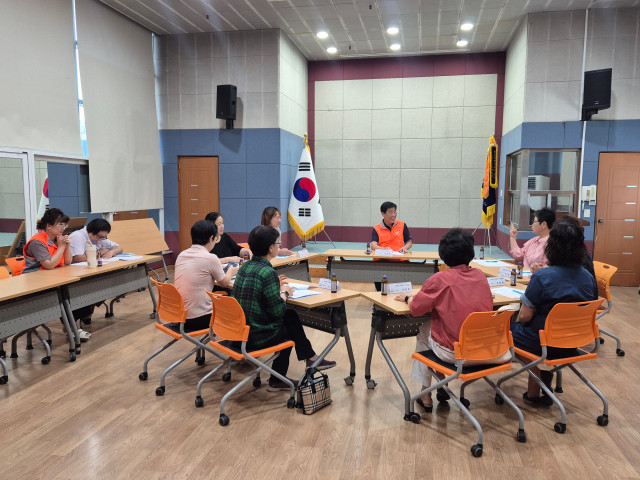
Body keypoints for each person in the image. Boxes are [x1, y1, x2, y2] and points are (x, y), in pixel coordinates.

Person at [395, 228, 510, 412]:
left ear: (443, 253)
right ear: (470, 253)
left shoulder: (440, 279)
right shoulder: (480, 276)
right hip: (488, 349)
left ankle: (426, 393)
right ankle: (442, 385)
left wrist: (408, 298)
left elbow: (416, 309)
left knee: (424, 330)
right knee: (441, 327)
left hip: (458, 354)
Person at [232, 225, 335, 391]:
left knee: (290, 316)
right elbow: (277, 311)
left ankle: (310, 358)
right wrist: (284, 292)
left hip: (237, 332)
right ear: (270, 248)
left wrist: (275, 286)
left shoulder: (245, 267)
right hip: (255, 336)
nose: (278, 245)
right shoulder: (267, 272)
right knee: (288, 325)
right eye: (277, 243)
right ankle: (279, 378)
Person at [511, 221, 598, 406]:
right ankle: (535, 389)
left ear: (551, 247)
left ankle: (536, 382)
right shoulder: (588, 278)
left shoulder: (542, 277)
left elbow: (525, 316)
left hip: (543, 342)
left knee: (507, 331)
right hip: (574, 341)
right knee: (539, 334)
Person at [174, 220, 238, 330]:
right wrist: (231, 271)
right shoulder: (210, 258)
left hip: (178, 316)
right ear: (211, 238)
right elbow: (224, 283)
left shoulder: (182, 255)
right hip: (199, 318)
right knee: (236, 310)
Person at [67, 218, 124, 333]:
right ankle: (76, 321)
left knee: (105, 283)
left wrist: (110, 252)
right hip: (75, 274)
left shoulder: (99, 237)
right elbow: (77, 258)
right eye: (99, 237)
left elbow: (119, 248)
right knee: (90, 288)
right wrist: (100, 253)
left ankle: (86, 314)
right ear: (90, 231)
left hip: (90, 271)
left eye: (104, 237)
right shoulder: (78, 237)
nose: (100, 240)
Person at [23, 208, 72, 274]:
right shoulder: (37, 242)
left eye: (65, 225)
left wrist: (67, 246)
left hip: (53, 273)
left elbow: (67, 262)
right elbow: (49, 265)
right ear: (48, 226)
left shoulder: (58, 238)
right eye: (60, 224)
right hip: (35, 275)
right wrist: (61, 247)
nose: (63, 228)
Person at [508, 207, 555, 272]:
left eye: (534, 221)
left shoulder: (552, 244)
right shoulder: (533, 240)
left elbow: (548, 269)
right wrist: (512, 237)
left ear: (544, 224)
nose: (532, 224)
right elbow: (517, 255)